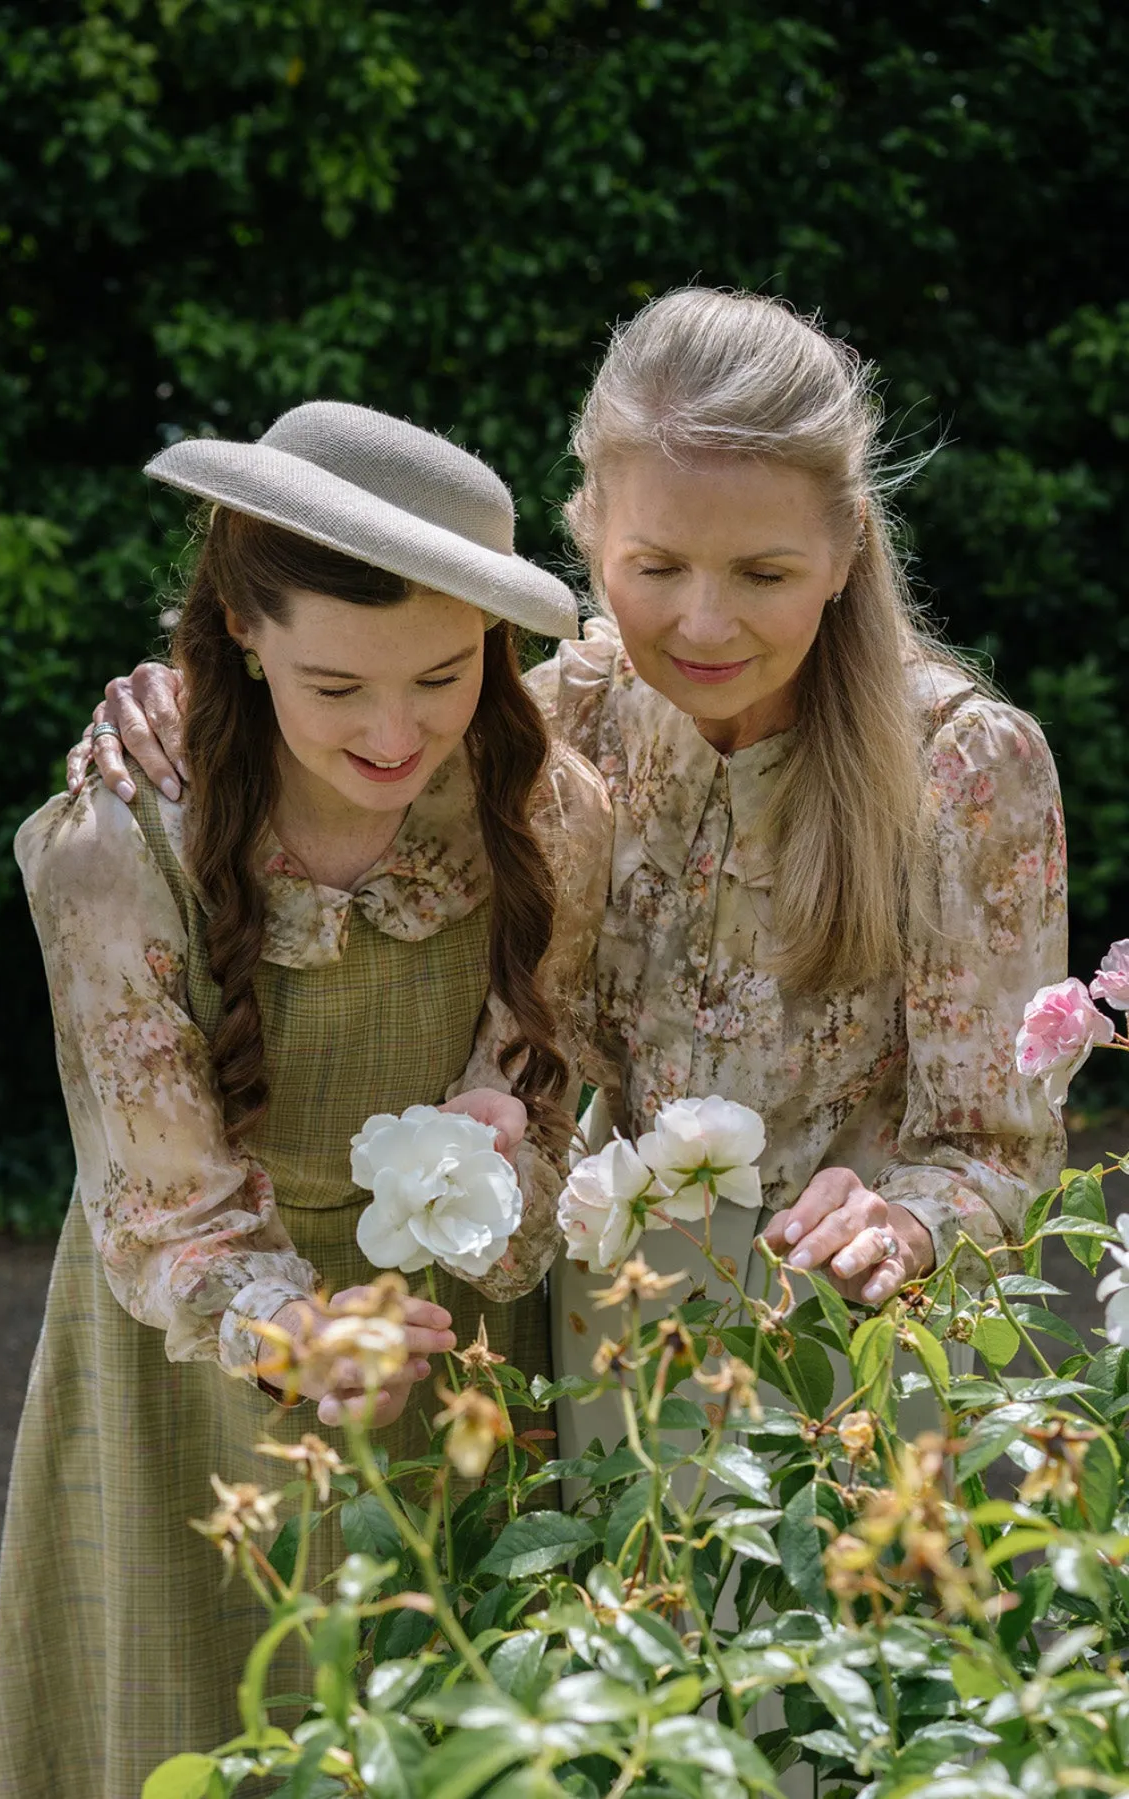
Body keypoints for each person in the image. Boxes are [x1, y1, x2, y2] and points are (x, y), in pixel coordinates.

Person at [77, 291, 1067, 1456]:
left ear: (847, 545)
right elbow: (336, 698)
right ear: (587, 532)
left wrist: (904, 1222)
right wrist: (183, 698)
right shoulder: (553, 730)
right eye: (656, 564)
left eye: (763, 571)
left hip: (854, 1357)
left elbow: (997, 1146)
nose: (704, 620)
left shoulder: (961, 765)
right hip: (610, 1344)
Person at [0, 402, 611, 1799]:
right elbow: (161, 1200)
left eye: (442, 677)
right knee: (204, 1729)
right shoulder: (118, 842)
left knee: (447, 1727)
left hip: (451, 1345)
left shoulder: (548, 810)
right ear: (243, 632)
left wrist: (499, 1136)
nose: (396, 731)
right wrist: (293, 1327)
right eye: (338, 687)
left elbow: (540, 1083)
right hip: (194, 1371)